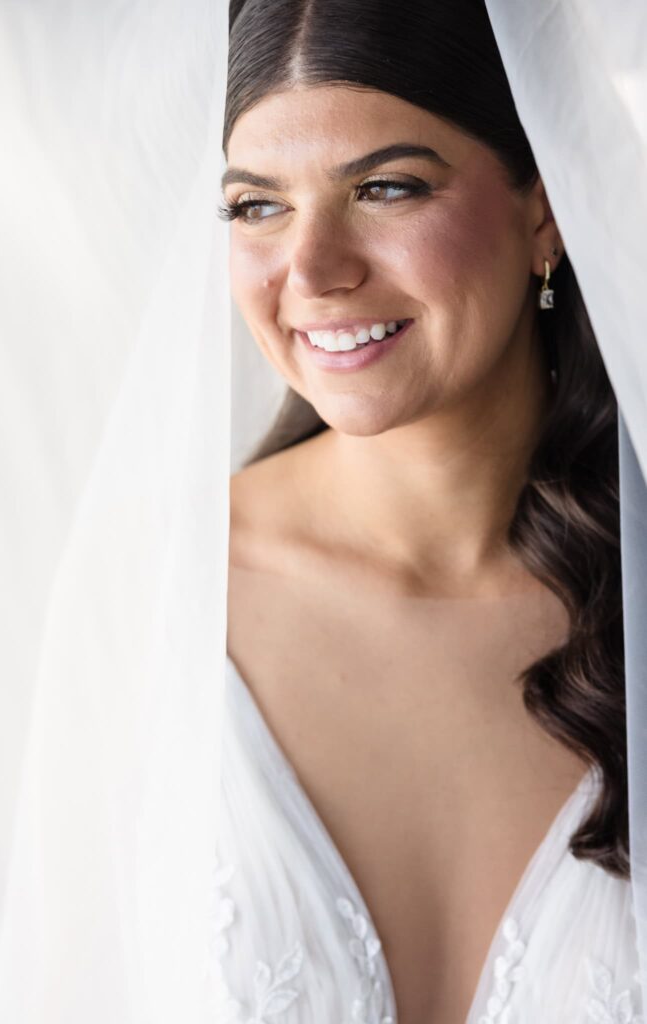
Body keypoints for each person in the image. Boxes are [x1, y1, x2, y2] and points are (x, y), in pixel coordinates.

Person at [208, 1, 642, 1022]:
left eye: (385, 187)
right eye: (257, 206)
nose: (312, 271)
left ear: (543, 210)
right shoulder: (160, 595)